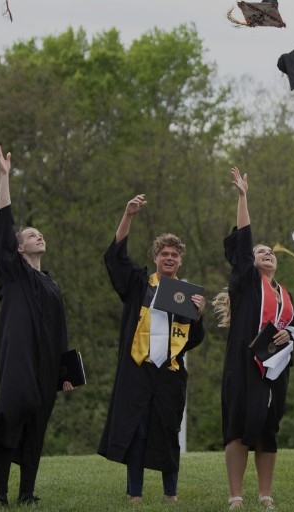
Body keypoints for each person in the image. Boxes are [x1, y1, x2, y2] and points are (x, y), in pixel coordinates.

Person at [0, 143, 73, 507]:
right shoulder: (13, 275)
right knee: (11, 411)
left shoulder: (51, 284)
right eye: (31, 234)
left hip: (46, 363)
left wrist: (66, 370)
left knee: (37, 422)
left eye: (40, 234)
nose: (38, 236)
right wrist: (4, 178)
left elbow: (61, 331)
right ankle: (0, 491)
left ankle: (26, 492)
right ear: (18, 249)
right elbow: (3, 228)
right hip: (18, 360)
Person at [97, 194, 207, 503]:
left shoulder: (186, 296)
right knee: (138, 432)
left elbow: (192, 341)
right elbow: (115, 258)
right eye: (164, 254)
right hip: (138, 369)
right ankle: (135, 494)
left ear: (180, 260)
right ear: (156, 257)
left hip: (170, 372)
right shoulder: (140, 284)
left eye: (174, 255)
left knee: (168, 433)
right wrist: (128, 215)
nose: (169, 258)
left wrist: (198, 317)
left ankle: (171, 494)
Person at [220, 167, 294, 510]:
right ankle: (237, 495)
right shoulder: (244, 285)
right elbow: (242, 243)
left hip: (274, 370)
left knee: (268, 430)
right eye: (260, 251)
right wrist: (243, 197)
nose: (267, 252)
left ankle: (265, 495)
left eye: (271, 251)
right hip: (243, 367)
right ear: (250, 263)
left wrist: (292, 333)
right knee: (240, 429)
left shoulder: (284, 294)